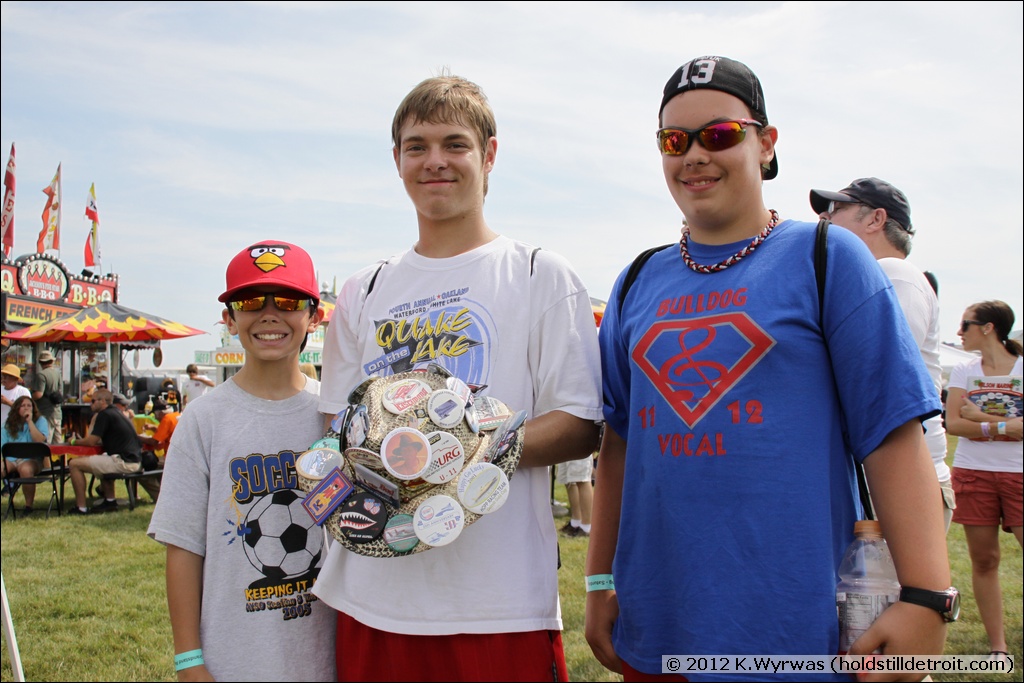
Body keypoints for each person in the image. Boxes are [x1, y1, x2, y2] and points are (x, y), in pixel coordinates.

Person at [586, 55, 953, 680]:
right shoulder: (637, 280)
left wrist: (925, 597)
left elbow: (892, 431)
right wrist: (598, 580)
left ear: (765, 143)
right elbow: (619, 444)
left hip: (793, 629)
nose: (695, 154)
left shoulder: (826, 255)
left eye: (720, 134)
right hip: (659, 622)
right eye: (675, 141)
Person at [314, 73, 602, 681]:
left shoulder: (537, 273)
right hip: (371, 596)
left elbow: (581, 424)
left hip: (496, 604)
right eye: (416, 146)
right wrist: (374, 458)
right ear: (396, 160)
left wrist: (456, 454)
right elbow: (335, 424)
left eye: (455, 144)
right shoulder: (364, 289)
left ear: (489, 154)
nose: (435, 161)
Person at [147, 239, 335, 681]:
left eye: (288, 300)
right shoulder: (204, 419)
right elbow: (183, 547)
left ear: (315, 315)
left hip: (327, 655)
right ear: (229, 319)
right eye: (250, 301)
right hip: (235, 659)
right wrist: (189, 661)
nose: (269, 314)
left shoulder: (334, 415)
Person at [810, 177, 954, 531]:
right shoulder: (877, 278)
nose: (823, 220)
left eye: (836, 209)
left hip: (893, 483)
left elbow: (872, 378)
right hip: (882, 479)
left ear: (875, 220)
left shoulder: (894, 273)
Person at [944, 300, 1023, 662]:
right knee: (985, 560)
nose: (959, 332)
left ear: (989, 328)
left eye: (966, 325)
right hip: (973, 472)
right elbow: (955, 424)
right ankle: (998, 647)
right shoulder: (963, 370)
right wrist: (1004, 426)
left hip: (1018, 474)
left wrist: (981, 419)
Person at [65, 387, 147, 514]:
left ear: (102, 401)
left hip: (125, 462)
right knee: (103, 460)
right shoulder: (117, 412)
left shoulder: (104, 414)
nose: (90, 404)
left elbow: (91, 441)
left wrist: (74, 441)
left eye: (92, 401)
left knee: (74, 464)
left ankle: (81, 507)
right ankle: (109, 501)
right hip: (134, 460)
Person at [2, 395, 50, 511]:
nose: (26, 408)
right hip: (12, 459)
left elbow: (40, 441)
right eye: (23, 406)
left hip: (33, 459)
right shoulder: (8, 424)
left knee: (26, 469)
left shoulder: (40, 421)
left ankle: (28, 506)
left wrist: (30, 422)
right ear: (17, 408)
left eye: (29, 405)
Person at [557, 453, 595, 537]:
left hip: (580, 444)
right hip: (566, 443)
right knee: (568, 479)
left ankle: (586, 527)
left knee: (582, 479)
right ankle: (575, 522)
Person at [28, 349, 62, 443]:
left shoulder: (41, 375)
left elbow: (39, 394)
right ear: (52, 361)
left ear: (40, 362)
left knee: (46, 441)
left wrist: (29, 398)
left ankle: (46, 458)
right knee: (58, 442)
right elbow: (60, 391)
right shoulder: (57, 373)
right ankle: (61, 458)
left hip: (46, 412)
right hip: (57, 412)